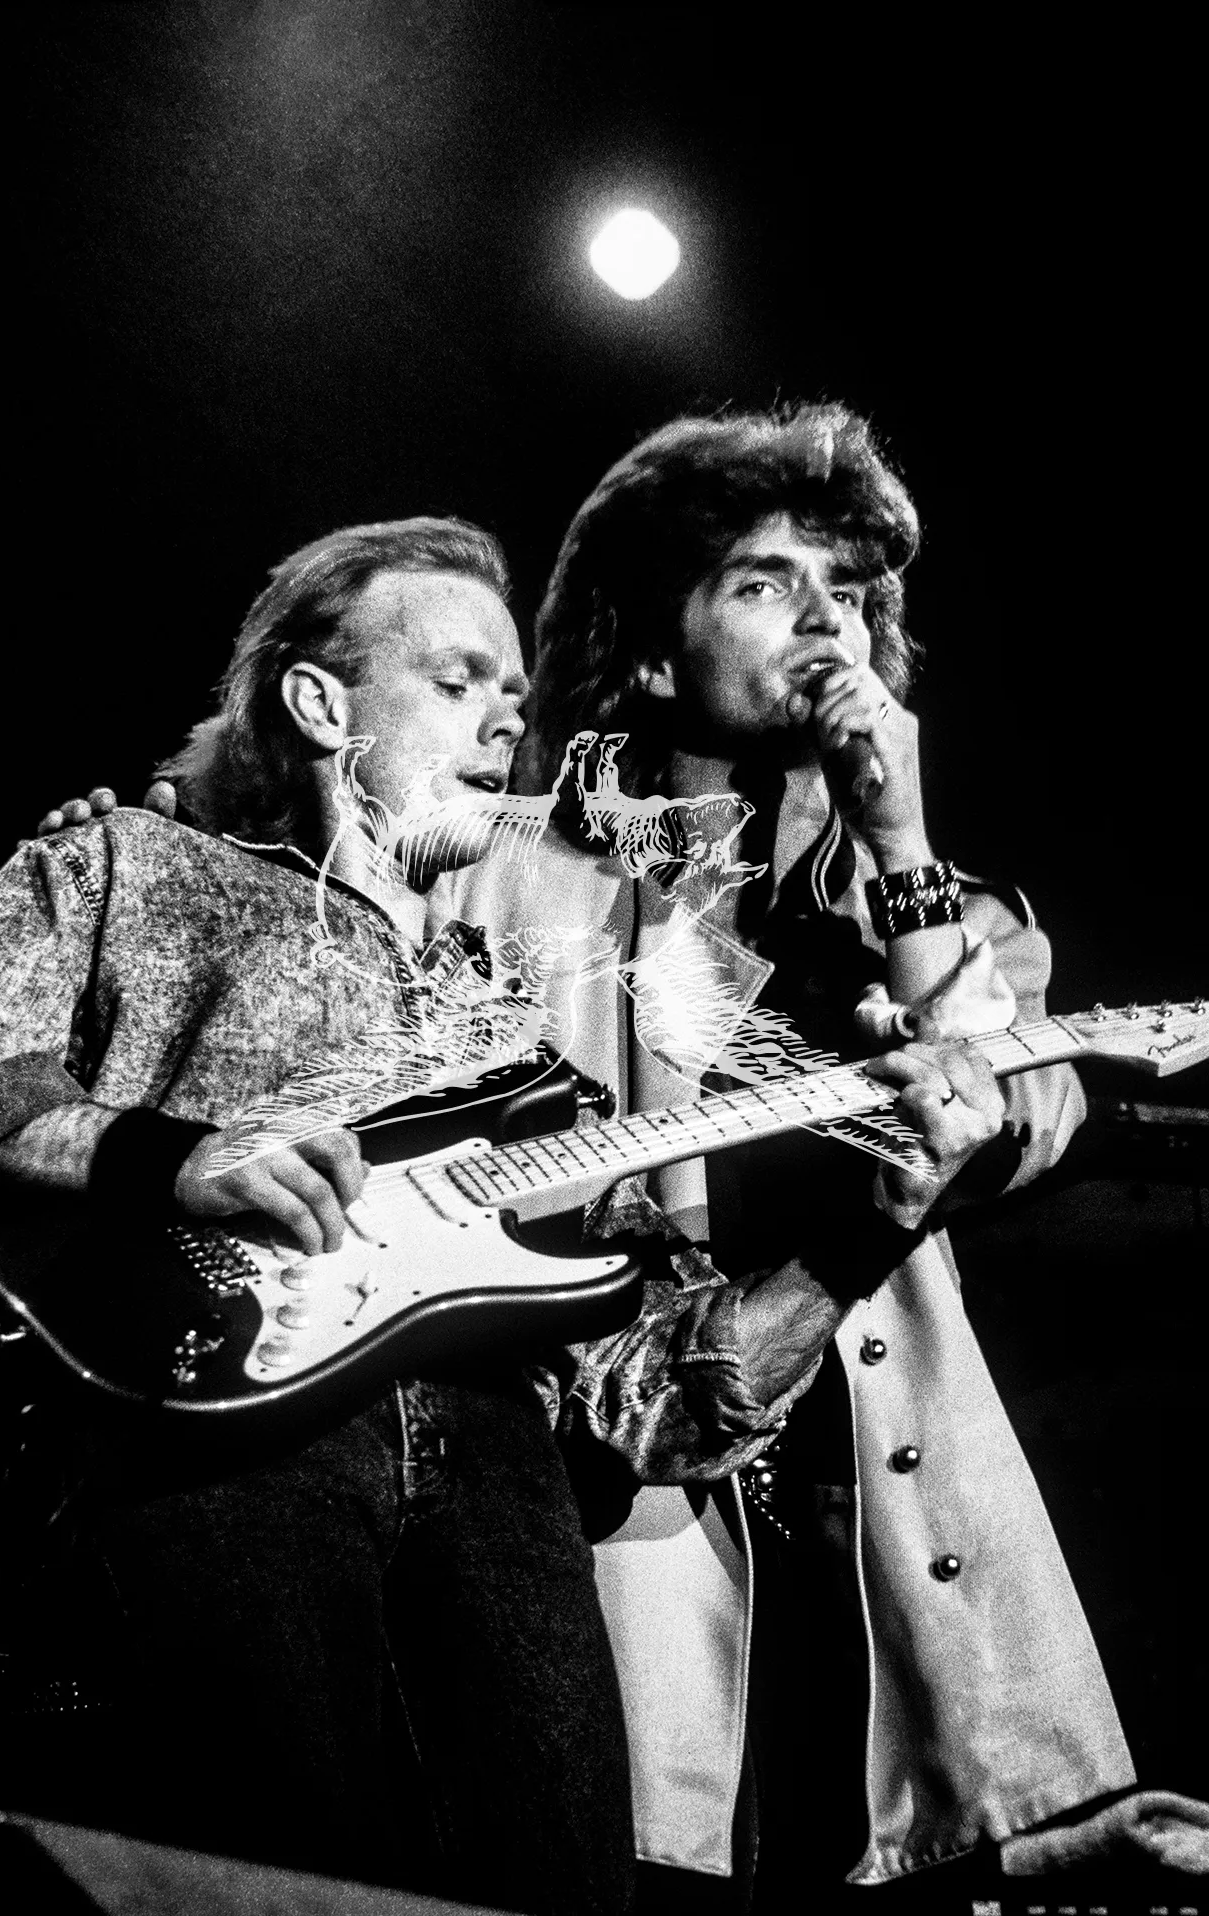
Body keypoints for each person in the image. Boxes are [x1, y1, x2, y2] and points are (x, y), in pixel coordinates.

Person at [447, 404, 1135, 1906]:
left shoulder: (958, 913)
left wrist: (902, 847)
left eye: (853, 593)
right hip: (621, 1529)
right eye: (765, 583)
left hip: (880, 1548)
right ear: (647, 652)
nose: (830, 621)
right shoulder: (505, 879)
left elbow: (1009, 1130)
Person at [0, 518, 647, 1915]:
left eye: (515, 695)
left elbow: (630, 1278)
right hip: (215, 1418)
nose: (509, 719)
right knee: (277, 1875)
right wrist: (172, 1158)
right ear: (321, 704)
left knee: (564, 1880)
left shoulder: (504, 989)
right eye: (458, 680)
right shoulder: (129, 864)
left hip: (497, 1445)